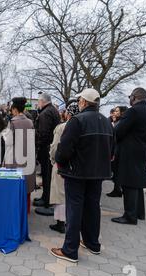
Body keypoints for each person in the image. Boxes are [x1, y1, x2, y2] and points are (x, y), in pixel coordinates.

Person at [50, 88, 113, 263]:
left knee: (74, 209)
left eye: (79, 101)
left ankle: (70, 250)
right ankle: (93, 243)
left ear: (84, 102)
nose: (78, 103)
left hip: (77, 173)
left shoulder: (77, 121)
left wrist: (61, 165)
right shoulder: (106, 121)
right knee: (93, 207)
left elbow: (64, 149)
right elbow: (112, 149)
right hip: (98, 173)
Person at [111, 88, 146, 225]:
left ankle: (130, 216)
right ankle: (139, 212)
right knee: (137, 183)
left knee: (128, 182)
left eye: (130, 96)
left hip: (130, 151)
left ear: (134, 97)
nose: (129, 99)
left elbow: (119, 130)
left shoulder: (133, 111)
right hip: (142, 149)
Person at [45, 100, 80, 234]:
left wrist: (53, 160)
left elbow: (55, 147)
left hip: (61, 164)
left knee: (60, 193)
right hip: (77, 166)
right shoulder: (83, 125)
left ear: (69, 113)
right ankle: (72, 221)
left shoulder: (62, 127)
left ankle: (60, 223)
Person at [3, 97, 36, 215]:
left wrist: (4, 134)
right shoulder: (30, 122)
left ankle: (15, 211)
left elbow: (9, 141)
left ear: (15, 109)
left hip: (15, 158)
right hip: (28, 156)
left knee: (15, 185)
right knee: (26, 185)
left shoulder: (13, 122)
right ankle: (26, 210)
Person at [33, 93, 61, 212]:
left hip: (46, 148)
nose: (38, 104)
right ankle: (45, 197)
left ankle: (47, 200)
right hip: (49, 146)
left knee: (47, 174)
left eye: (38, 102)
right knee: (47, 174)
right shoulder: (52, 110)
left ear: (43, 101)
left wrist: (38, 146)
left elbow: (43, 133)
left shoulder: (46, 113)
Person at [107, 106, 128, 198]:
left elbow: (115, 134)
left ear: (122, 113)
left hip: (118, 150)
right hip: (116, 149)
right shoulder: (117, 122)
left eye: (116, 111)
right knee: (116, 170)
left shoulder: (121, 123)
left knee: (117, 170)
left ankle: (118, 189)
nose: (114, 113)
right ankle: (117, 188)